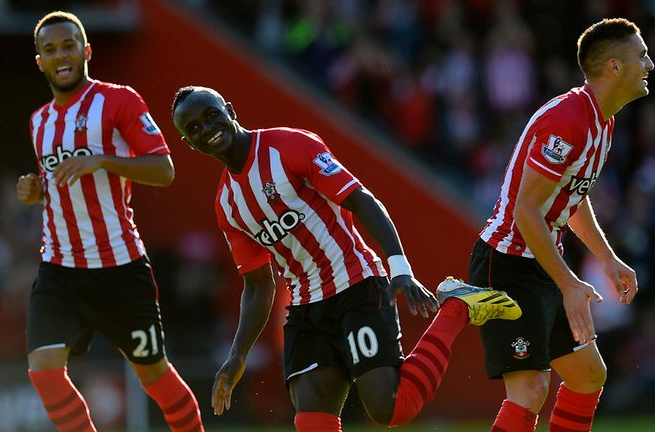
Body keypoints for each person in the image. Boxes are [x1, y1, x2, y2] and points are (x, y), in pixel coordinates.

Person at [170, 86, 522, 431]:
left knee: (391, 408)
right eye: (195, 128)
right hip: (306, 310)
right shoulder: (227, 205)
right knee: (311, 421)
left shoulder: (288, 145)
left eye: (211, 115)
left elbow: (362, 200)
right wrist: (238, 355)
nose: (207, 129)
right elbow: (259, 285)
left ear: (230, 110)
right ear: (188, 143)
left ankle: (456, 309)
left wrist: (399, 268)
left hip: (356, 285)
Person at [15, 11, 204, 432]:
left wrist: (102, 160)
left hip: (119, 267)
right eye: (50, 49)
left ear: (86, 50)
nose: (60, 55)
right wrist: (36, 190)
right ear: (39, 62)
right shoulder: (39, 121)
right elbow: (61, 180)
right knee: (43, 371)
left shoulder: (119, 100)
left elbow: (164, 169)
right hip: (59, 268)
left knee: (154, 376)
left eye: (68, 46)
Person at [468, 18, 651, 432]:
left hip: (541, 261)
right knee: (532, 389)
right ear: (614, 67)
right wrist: (569, 284)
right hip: (508, 262)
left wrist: (607, 258)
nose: (650, 64)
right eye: (641, 55)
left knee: (588, 376)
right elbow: (526, 212)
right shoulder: (569, 119)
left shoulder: (602, 120)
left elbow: (571, 196)